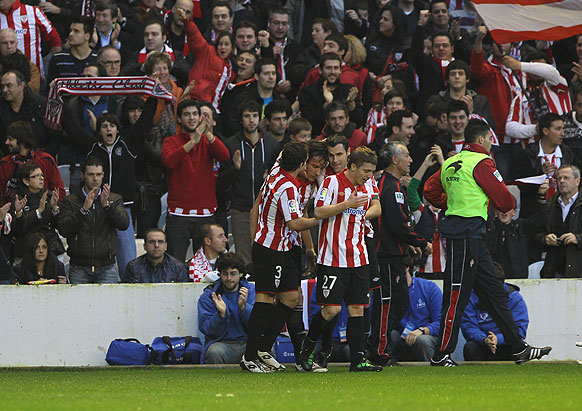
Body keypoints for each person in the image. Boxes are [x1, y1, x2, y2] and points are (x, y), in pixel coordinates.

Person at [424, 119, 552, 366]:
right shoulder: (482, 162)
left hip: (469, 235)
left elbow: (430, 191)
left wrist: (449, 204)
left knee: (494, 292)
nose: (492, 142)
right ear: (481, 139)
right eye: (489, 138)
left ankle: (518, 347)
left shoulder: (451, 162)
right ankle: (440, 355)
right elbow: (505, 200)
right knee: (456, 296)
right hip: (466, 233)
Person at [299, 147, 383, 373]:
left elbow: (377, 206)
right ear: (352, 166)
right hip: (333, 258)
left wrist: (363, 214)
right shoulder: (331, 183)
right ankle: (305, 351)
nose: (369, 175)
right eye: (366, 170)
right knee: (331, 310)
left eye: (372, 171)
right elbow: (318, 212)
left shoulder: (367, 184)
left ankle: (358, 361)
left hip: (359, 256)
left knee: (358, 309)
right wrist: (347, 205)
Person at [241, 142, 320, 373]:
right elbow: (294, 223)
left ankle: (264, 349)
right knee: (265, 299)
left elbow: (285, 152)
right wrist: (323, 219)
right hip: (270, 248)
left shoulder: (276, 170)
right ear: (303, 164)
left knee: (290, 297)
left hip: (283, 248)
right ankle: (249, 356)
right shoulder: (288, 187)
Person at [368, 142, 431, 366]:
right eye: (407, 155)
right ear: (395, 160)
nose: (410, 160)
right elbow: (396, 225)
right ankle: (376, 350)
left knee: (395, 302)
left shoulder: (390, 184)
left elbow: (394, 225)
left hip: (392, 254)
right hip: (385, 256)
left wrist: (408, 245)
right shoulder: (390, 187)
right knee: (388, 304)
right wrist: (420, 242)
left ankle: (378, 347)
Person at [161, 100, 230, 263]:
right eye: (186, 114)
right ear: (178, 119)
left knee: (207, 262)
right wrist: (193, 141)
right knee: (175, 262)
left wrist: (207, 134)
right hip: (178, 214)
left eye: (195, 114)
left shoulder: (208, 141)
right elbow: (169, 161)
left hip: (205, 213)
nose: (191, 118)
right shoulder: (171, 141)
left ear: (200, 118)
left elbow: (225, 156)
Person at [222, 100, 279, 265]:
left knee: (266, 256)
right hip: (241, 209)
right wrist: (235, 169)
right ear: (241, 120)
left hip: (266, 210)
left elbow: (279, 176)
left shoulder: (271, 143)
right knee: (245, 258)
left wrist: (270, 178)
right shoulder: (231, 144)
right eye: (247, 116)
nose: (251, 120)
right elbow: (221, 181)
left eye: (255, 115)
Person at [57, 157, 130, 284]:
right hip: (79, 267)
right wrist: (83, 210)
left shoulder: (114, 198)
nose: (95, 179)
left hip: (107, 267)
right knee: (79, 304)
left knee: (107, 304)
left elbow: (124, 224)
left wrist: (107, 207)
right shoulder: (70, 201)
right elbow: (64, 229)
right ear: (82, 176)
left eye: (98, 175)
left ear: (103, 176)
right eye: (91, 175)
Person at [511, 113, 575, 218]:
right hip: (534, 214)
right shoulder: (527, 154)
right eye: (558, 129)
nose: (563, 133)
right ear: (545, 131)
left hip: (562, 212)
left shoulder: (568, 153)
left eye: (563, 129)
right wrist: (541, 174)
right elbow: (522, 187)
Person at [461, 263, 529, 361]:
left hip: (507, 343)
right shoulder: (470, 298)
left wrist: (498, 339)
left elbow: (520, 330)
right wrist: (485, 340)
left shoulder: (514, 298)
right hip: (482, 344)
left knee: (518, 346)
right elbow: (468, 327)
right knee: (470, 348)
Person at [198, 252, 255, 364]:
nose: (229, 278)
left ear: (241, 274)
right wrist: (221, 315)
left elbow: (260, 326)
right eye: (225, 274)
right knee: (214, 352)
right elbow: (206, 329)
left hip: (248, 342)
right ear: (220, 274)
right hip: (222, 344)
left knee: (265, 350)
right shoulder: (209, 295)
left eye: (233, 273)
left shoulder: (252, 291)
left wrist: (244, 308)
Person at [178, 7, 236, 111]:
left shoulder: (232, 67)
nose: (222, 47)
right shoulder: (207, 51)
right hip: (195, 101)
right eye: (220, 44)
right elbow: (195, 37)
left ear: (232, 48)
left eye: (226, 44)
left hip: (213, 109)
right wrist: (187, 22)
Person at [534, 165, 582, 278]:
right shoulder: (550, 204)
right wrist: (545, 238)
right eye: (559, 178)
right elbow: (534, 233)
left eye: (566, 178)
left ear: (577, 181)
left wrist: (578, 238)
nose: (562, 181)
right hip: (554, 269)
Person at [299, 53, 363, 136]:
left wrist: (352, 105)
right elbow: (308, 124)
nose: (332, 72)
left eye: (336, 68)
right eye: (328, 68)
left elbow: (359, 123)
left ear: (340, 70)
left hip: (347, 138)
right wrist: (326, 105)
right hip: (319, 139)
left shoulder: (349, 90)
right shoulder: (309, 92)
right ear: (320, 70)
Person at [0, 121, 64, 202]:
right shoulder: (4, 164)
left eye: (10, 139)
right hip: (12, 212)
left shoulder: (45, 160)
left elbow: (59, 192)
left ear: (21, 140)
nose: (6, 142)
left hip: (45, 211)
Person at [389, 267, 442, 362]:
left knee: (422, 341)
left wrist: (423, 330)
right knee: (388, 335)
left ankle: (432, 372)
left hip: (424, 336)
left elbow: (442, 322)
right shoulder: (388, 290)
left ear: (406, 267)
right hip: (400, 337)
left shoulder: (429, 287)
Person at [11, 162, 64, 259]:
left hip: (51, 247)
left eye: (42, 175)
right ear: (26, 181)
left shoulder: (49, 196)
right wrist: (38, 212)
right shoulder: (18, 200)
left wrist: (55, 208)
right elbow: (19, 229)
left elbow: (61, 227)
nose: (41, 178)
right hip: (26, 250)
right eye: (36, 176)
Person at [0, 0, 62, 75]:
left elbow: (54, 40)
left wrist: (59, 69)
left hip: (33, 79)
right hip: (3, 79)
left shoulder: (33, 12)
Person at [0, 70, 50, 154]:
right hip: (6, 161)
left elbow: (53, 134)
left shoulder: (40, 105)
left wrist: (45, 158)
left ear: (22, 85)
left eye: (9, 86)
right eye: (2, 86)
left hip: (37, 159)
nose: (4, 90)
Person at [47, 16, 97, 84]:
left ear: (87, 36)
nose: (71, 34)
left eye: (76, 31)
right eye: (70, 31)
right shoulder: (58, 59)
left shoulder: (97, 58)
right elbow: (50, 89)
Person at [0, 28, 40, 93]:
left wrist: (15, 94)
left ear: (16, 44)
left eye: (12, 42)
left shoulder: (30, 66)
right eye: (4, 43)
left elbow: (34, 88)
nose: (9, 46)